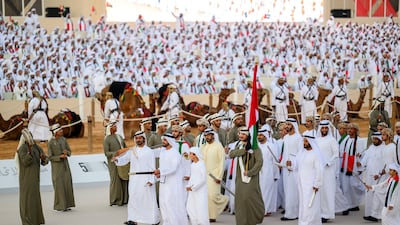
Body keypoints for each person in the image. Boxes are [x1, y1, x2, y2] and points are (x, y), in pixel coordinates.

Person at [113, 131, 160, 225]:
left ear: (144, 139)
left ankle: (153, 219)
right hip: (134, 178)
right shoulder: (132, 151)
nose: (138, 140)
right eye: (136, 138)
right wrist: (117, 159)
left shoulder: (149, 151)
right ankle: (133, 219)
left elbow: (152, 166)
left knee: (148, 199)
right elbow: (124, 160)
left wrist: (152, 180)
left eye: (140, 138)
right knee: (133, 198)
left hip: (145, 178)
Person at [228, 127, 264, 225]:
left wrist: (250, 172)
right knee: (241, 201)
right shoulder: (238, 145)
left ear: (248, 136)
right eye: (240, 134)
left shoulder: (255, 147)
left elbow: (259, 162)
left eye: (243, 134)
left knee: (250, 198)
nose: (240, 136)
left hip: (251, 178)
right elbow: (231, 154)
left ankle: (254, 219)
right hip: (240, 178)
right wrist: (244, 151)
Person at [153, 133, 189, 225]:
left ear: (170, 141)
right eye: (163, 140)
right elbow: (163, 166)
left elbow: (173, 168)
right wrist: (160, 174)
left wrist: (160, 171)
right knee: (163, 204)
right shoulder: (163, 152)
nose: (163, 142)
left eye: (165, 140)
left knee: (171, 204)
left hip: (172, 183)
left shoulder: (174, 153)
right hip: (163, 182)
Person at [17, 128, 49, 225]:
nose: (31, 137)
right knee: (27, 199)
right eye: (29, 136)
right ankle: (27, 221)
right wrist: (29, 152)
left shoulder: (37, 147)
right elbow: (26, 162)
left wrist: (44, 159)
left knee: (35, 199)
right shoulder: (22, 149)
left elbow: (46, 160)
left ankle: (36, 220)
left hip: (35, 178)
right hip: (26, 179)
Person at [200, 128, 229, 222]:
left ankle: (225, 200)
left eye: (209, 135)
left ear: (213, 135)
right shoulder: (203, 146)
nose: (207, 137)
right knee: (207, 196)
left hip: (214, 175)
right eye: (205, 135)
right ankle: (211, 216)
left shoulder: (218, 146)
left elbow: (222, 162)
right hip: (204, 175)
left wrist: (219, 176)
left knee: (213, 195)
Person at [295, 135, 323, 225]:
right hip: (302, 183)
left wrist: (317, 184)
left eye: (306, 141)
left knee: (310, 204)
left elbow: (319, 170)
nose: (304, 143)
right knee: (303, 203)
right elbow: (296, 165)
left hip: (311, 184)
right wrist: (290, 164)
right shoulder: (302, 153)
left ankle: (310, 222)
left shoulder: (315, 154)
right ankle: (303, 221)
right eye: (304, 141)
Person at [48, 123, 75, 212]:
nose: (62, 131)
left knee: (67, 184)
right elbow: (50, 157)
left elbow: (70, 151)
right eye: (60, 130)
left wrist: (66, 152)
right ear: (55, 132)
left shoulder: (64, 139)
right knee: (59, 186)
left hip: (65, 166)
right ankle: (60, 206)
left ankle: (67, 205)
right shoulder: (51, 142)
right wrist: (59, 157)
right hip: (57, 168)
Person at [279, 118, 302, 221]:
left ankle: (294, 213)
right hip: (286, 167)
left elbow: (301, 154)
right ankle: (289, 212)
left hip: (295, 168)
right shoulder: (286, 138)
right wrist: (282, 163)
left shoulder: (298, 138)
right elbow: (285, 152)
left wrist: (293, 163)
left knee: (294, 190)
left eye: (289, 124)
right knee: (287, 190)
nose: (287, 126)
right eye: (286, 124)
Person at [315, 120, 338, 223]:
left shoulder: (332, 140)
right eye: (322, 128)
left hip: (328, 170)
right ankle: (320, 213)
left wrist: (329, 162)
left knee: (327, 192)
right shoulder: (317, 140)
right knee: (319, 192)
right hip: (318, 169)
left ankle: (327, 214)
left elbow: (336, 153)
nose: (324, 130)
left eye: (326, 128)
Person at [360, 132, 386, 222]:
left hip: (379, 176)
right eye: (373, 139)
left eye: (376, 139)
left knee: (377, 195)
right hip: (369, 175)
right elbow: (365, 159)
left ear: (380, 139)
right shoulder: (371, 147)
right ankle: (370, 214)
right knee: (369, 194)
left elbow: (385, 163)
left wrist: (379, 174)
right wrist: (360, 164)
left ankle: (377, 215)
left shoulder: (384, 148)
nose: (374, 140)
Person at [339, 123, 365, 213]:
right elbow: (342, 152)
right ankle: (347, 205)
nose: (349, 130)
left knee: (354, 185)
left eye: (352, 129)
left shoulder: (360, 141)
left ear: (356, 130)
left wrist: (360, 164)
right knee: (345, 186)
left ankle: (355, 203)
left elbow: (363, 154)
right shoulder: (345, 140)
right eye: (348, 128)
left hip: (355, 167)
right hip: (345, 167)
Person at [103, 121, 129, 206]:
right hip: (113, 162)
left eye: (116, 126)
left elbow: (125, 147)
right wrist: (116, 153)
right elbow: (107, 153)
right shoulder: (107, 139)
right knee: (115, 180)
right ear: (110, 128)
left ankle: (125, 199)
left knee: (124, 178)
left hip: (123, 161)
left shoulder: (120, 137)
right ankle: (115, 200)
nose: (116, 127)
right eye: (114, 126)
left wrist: (125, 153)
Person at [257, 125, 279, 216]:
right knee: (259, 191)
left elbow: (275, 161)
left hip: (268, 171)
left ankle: (265, 210)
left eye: (261, 135)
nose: (259, 137)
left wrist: (275, 174)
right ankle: (260, 209)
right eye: (258, 135)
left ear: (265, 136)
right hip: (257, 172)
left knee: (266, 191)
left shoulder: (271, 146)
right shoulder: (256, 146)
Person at [186, 147, 210, 225]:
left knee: (201, 208)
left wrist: (194, 187)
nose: (189, 155)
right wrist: (188, 186)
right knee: (190, 207)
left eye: (191, 154)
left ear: (195, 155)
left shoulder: (202, 164)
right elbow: (192, 177)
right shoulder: (192, 165)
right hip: (192, 190)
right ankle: (195, 222)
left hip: (200, 190)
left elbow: (203, 179)